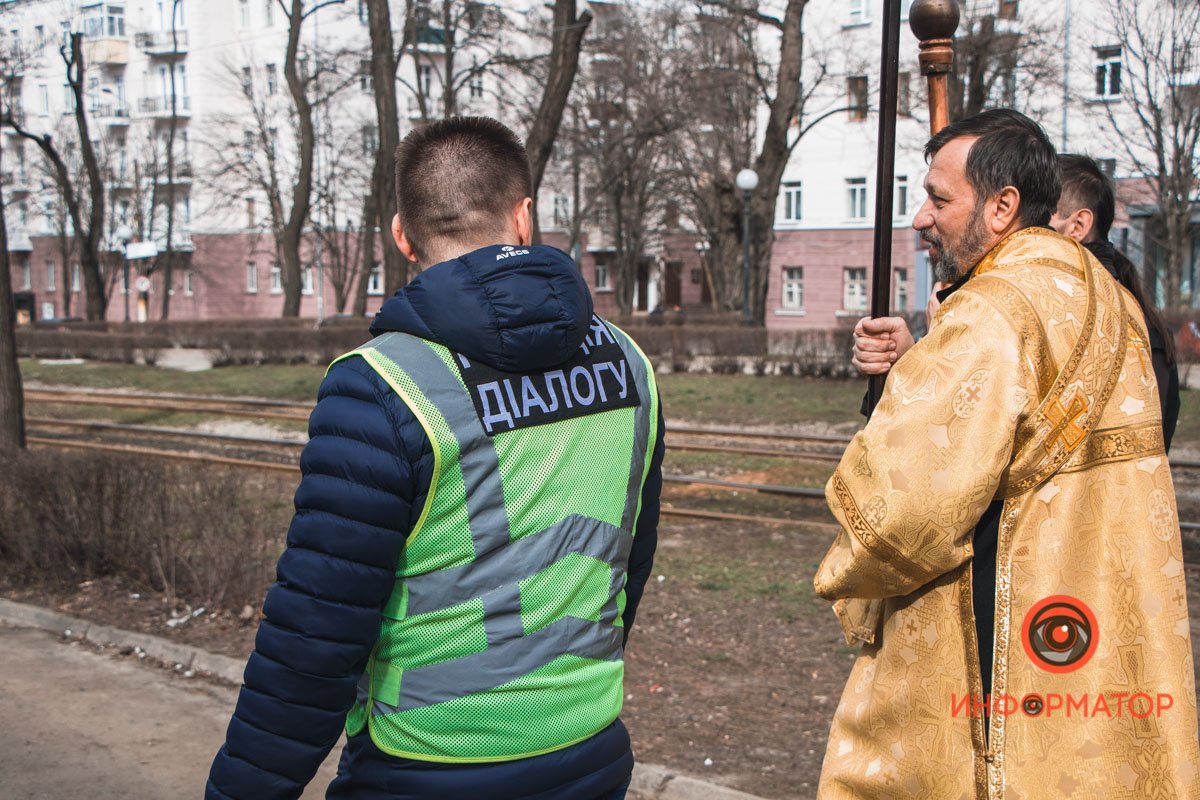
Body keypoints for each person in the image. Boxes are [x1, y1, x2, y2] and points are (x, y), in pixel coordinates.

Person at [206, 116, 665, 800]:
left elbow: (316, 633)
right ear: (523, 216)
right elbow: (631, 559)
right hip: (589, 752)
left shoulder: (379, 384)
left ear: (401, 234)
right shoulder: (629, 363)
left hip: (426, 767)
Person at [815, 109, 1199, 798]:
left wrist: (843, 568)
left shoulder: (991, 309)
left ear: (1002, 207)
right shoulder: (1107, 297)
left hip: (994, 631)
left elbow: (906, 511)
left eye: (938, 198)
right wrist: (921, 361)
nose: (920, 219)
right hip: (1093, 618)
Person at [854, 152, 1181, 449]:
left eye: (1037, 220)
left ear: (1078, 225)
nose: (1017, 232)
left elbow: (963, 453)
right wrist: (922, 358)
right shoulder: (1114, 311)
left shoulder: (1073, 318)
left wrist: (945, 349)